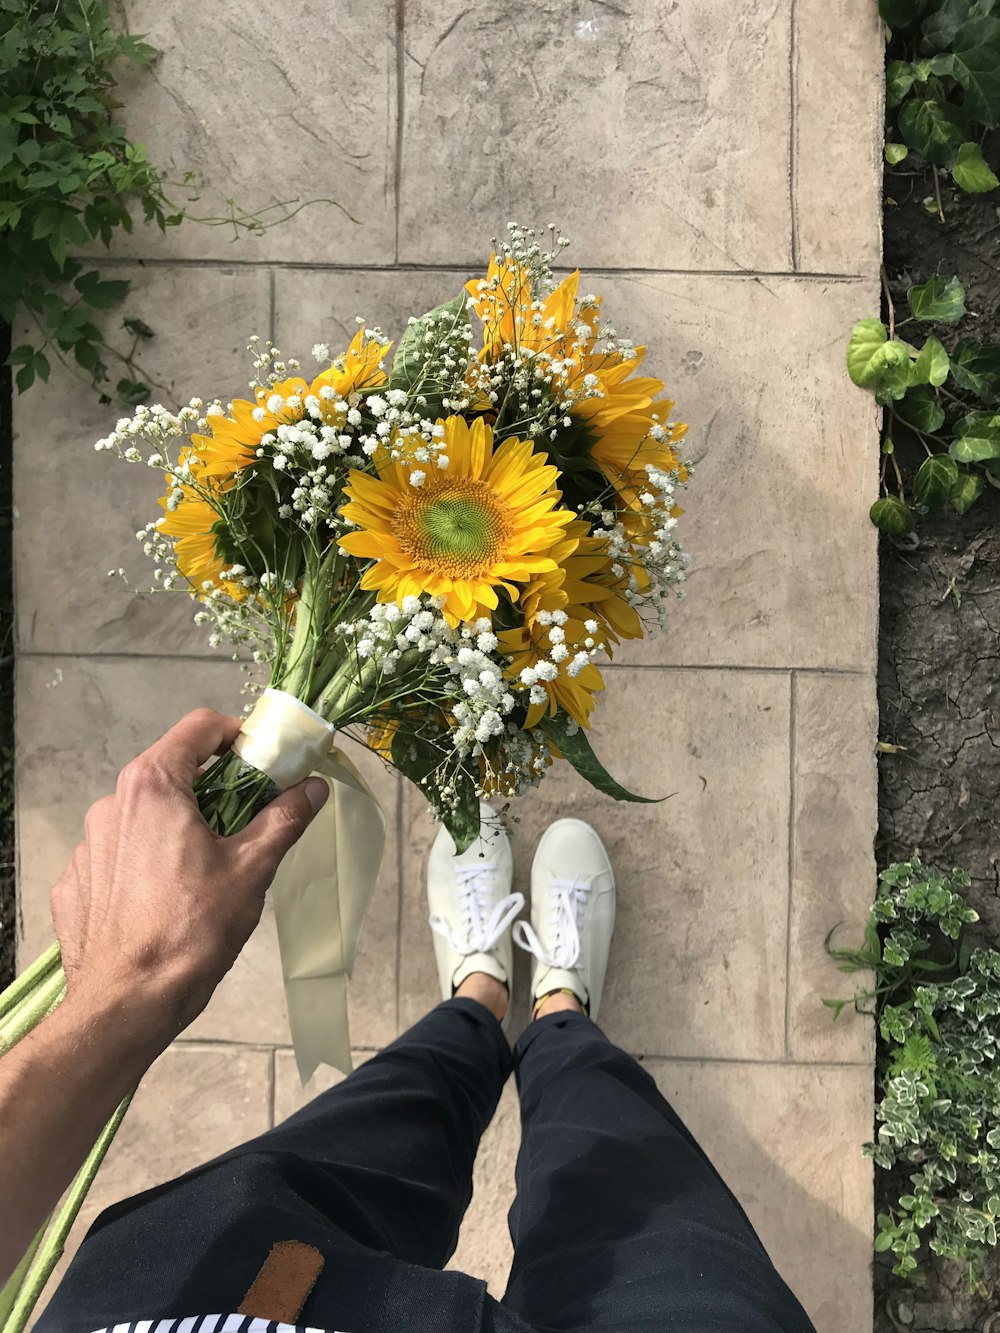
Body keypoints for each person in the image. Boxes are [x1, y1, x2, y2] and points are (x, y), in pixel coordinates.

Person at [0, 708, 816, 1333]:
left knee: (380, 1124)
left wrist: (121, 991)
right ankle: (560, 1013)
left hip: (193, 1301)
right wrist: (125, 986)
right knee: (629, 1184)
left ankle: (479, 995)